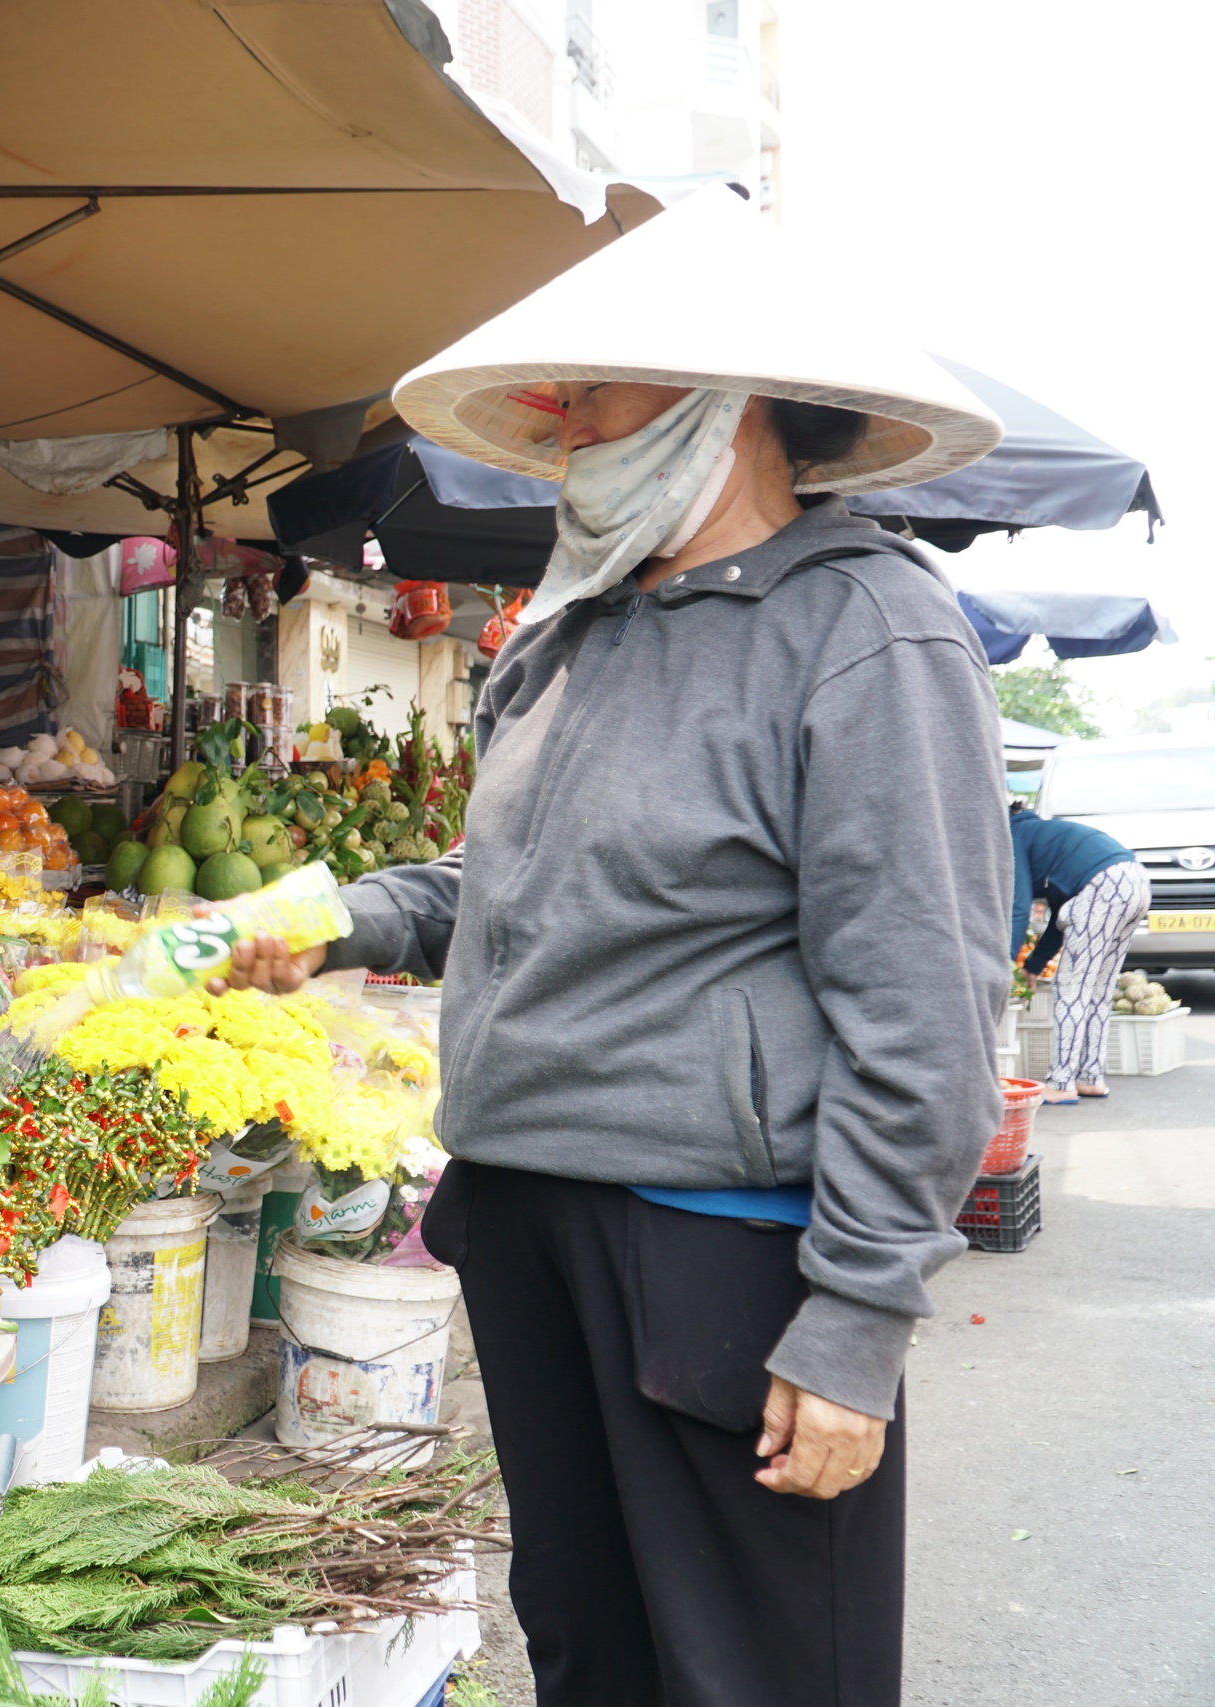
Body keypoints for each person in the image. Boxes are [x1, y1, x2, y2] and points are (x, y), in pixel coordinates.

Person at [214, 193, 1010, 1707]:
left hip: (716, 1244)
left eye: (599, 383)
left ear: (733, 400)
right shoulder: (569, 629)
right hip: (529, 1218)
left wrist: (852, 1324)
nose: (557, 414)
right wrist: (341, 917)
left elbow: (927, 1002)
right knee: (591, 1652)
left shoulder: (862, 632)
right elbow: (511, 873)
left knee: (754, 1673)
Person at [1010, 800, 1146, 1101]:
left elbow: (1017, 908)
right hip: (1136, 880)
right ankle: (1091, 1077)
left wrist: (1005, 962)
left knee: (1071, 987)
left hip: (1103, 887)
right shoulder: (1046, 836)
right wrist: (1033, 964)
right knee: (1098, 987)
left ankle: (1060, 1083)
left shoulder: (1012, 836)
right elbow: (1061, 917)